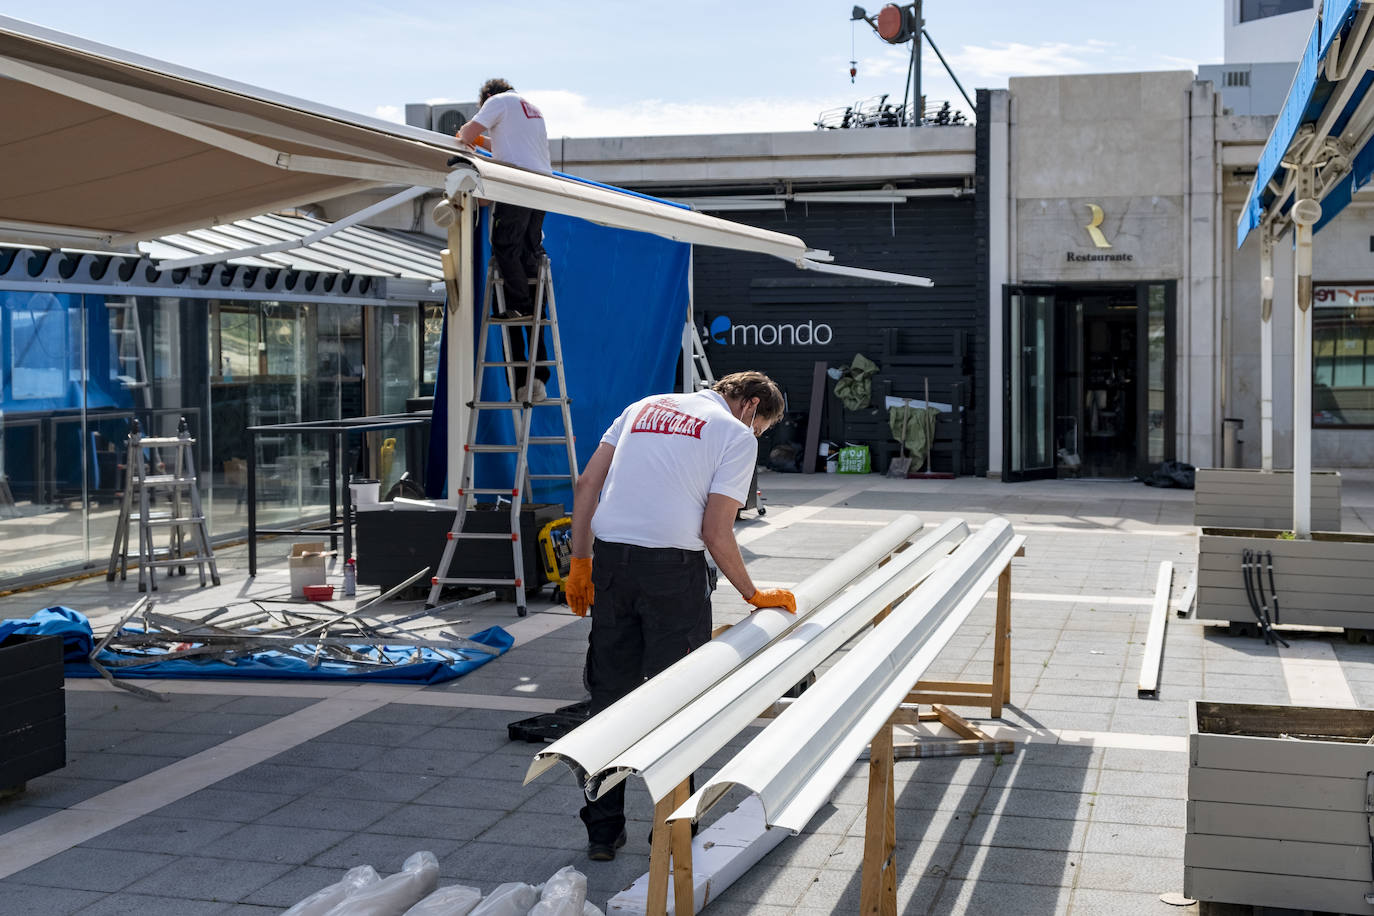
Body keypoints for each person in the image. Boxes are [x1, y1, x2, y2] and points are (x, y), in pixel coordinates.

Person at [564, 371, 798, 861]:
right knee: (681, 701)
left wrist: (580, 561)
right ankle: (670, 829)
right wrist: (753, 594)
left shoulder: (643, 405)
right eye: (760, 428)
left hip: (611, 563)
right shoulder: (734, 434)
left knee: (609, 698)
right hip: (673, 574)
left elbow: (588, 482)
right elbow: (716, 531)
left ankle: (602, 834)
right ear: (751, 407)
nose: (754, 436)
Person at [457, 78, 552, 399]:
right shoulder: (529, 107)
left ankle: (518, 305)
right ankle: (536, 376)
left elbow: (467, 135)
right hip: (541, 187)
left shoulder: (496, 102)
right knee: (527, 254)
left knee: (504, 246)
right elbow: (502, 143)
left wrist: (463, 139)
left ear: (486, 98)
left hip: (516, 183)